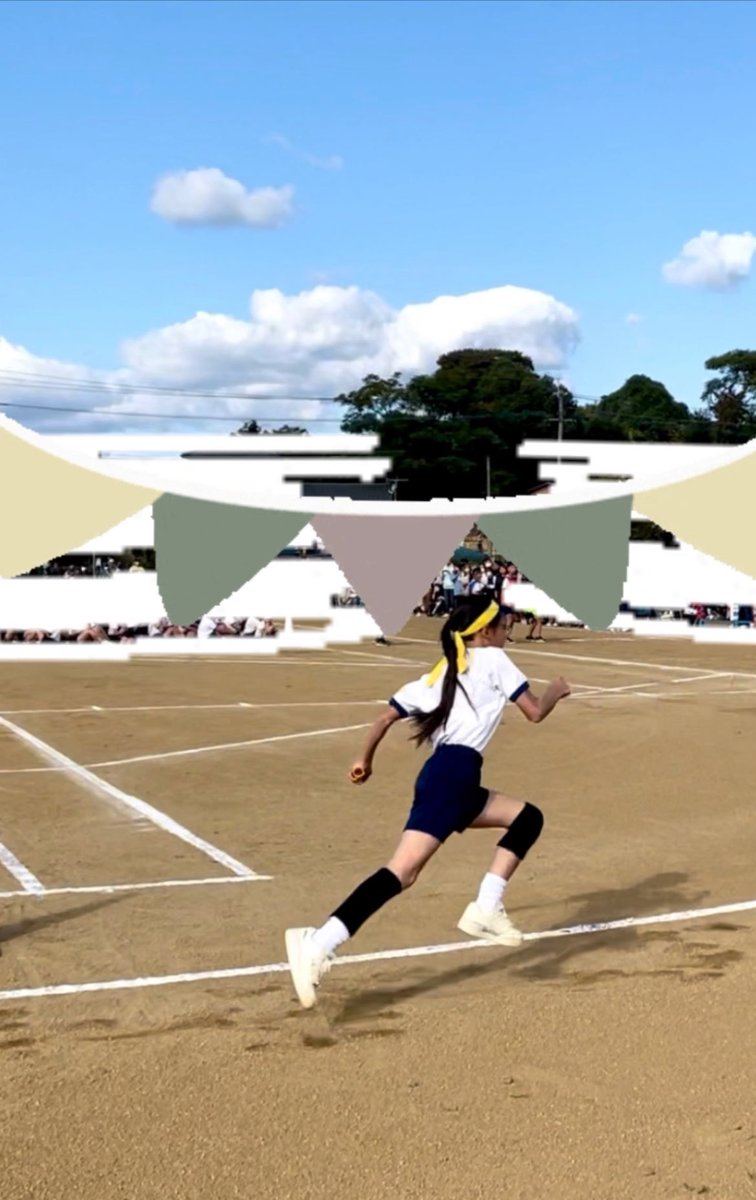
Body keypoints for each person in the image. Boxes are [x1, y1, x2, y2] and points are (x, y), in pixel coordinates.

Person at [284, 595, 571, 1009]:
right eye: (503, 627)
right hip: (454, 777)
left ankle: (486, 906)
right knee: (401, 872)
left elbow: (385, 717)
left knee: (528, 819)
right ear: (484, 631)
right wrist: (556, 691)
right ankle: (318, 942)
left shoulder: (441, 673)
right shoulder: (492, 659)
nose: (507, 632)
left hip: (447, 776)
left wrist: (364, 759)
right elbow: (535, 712)